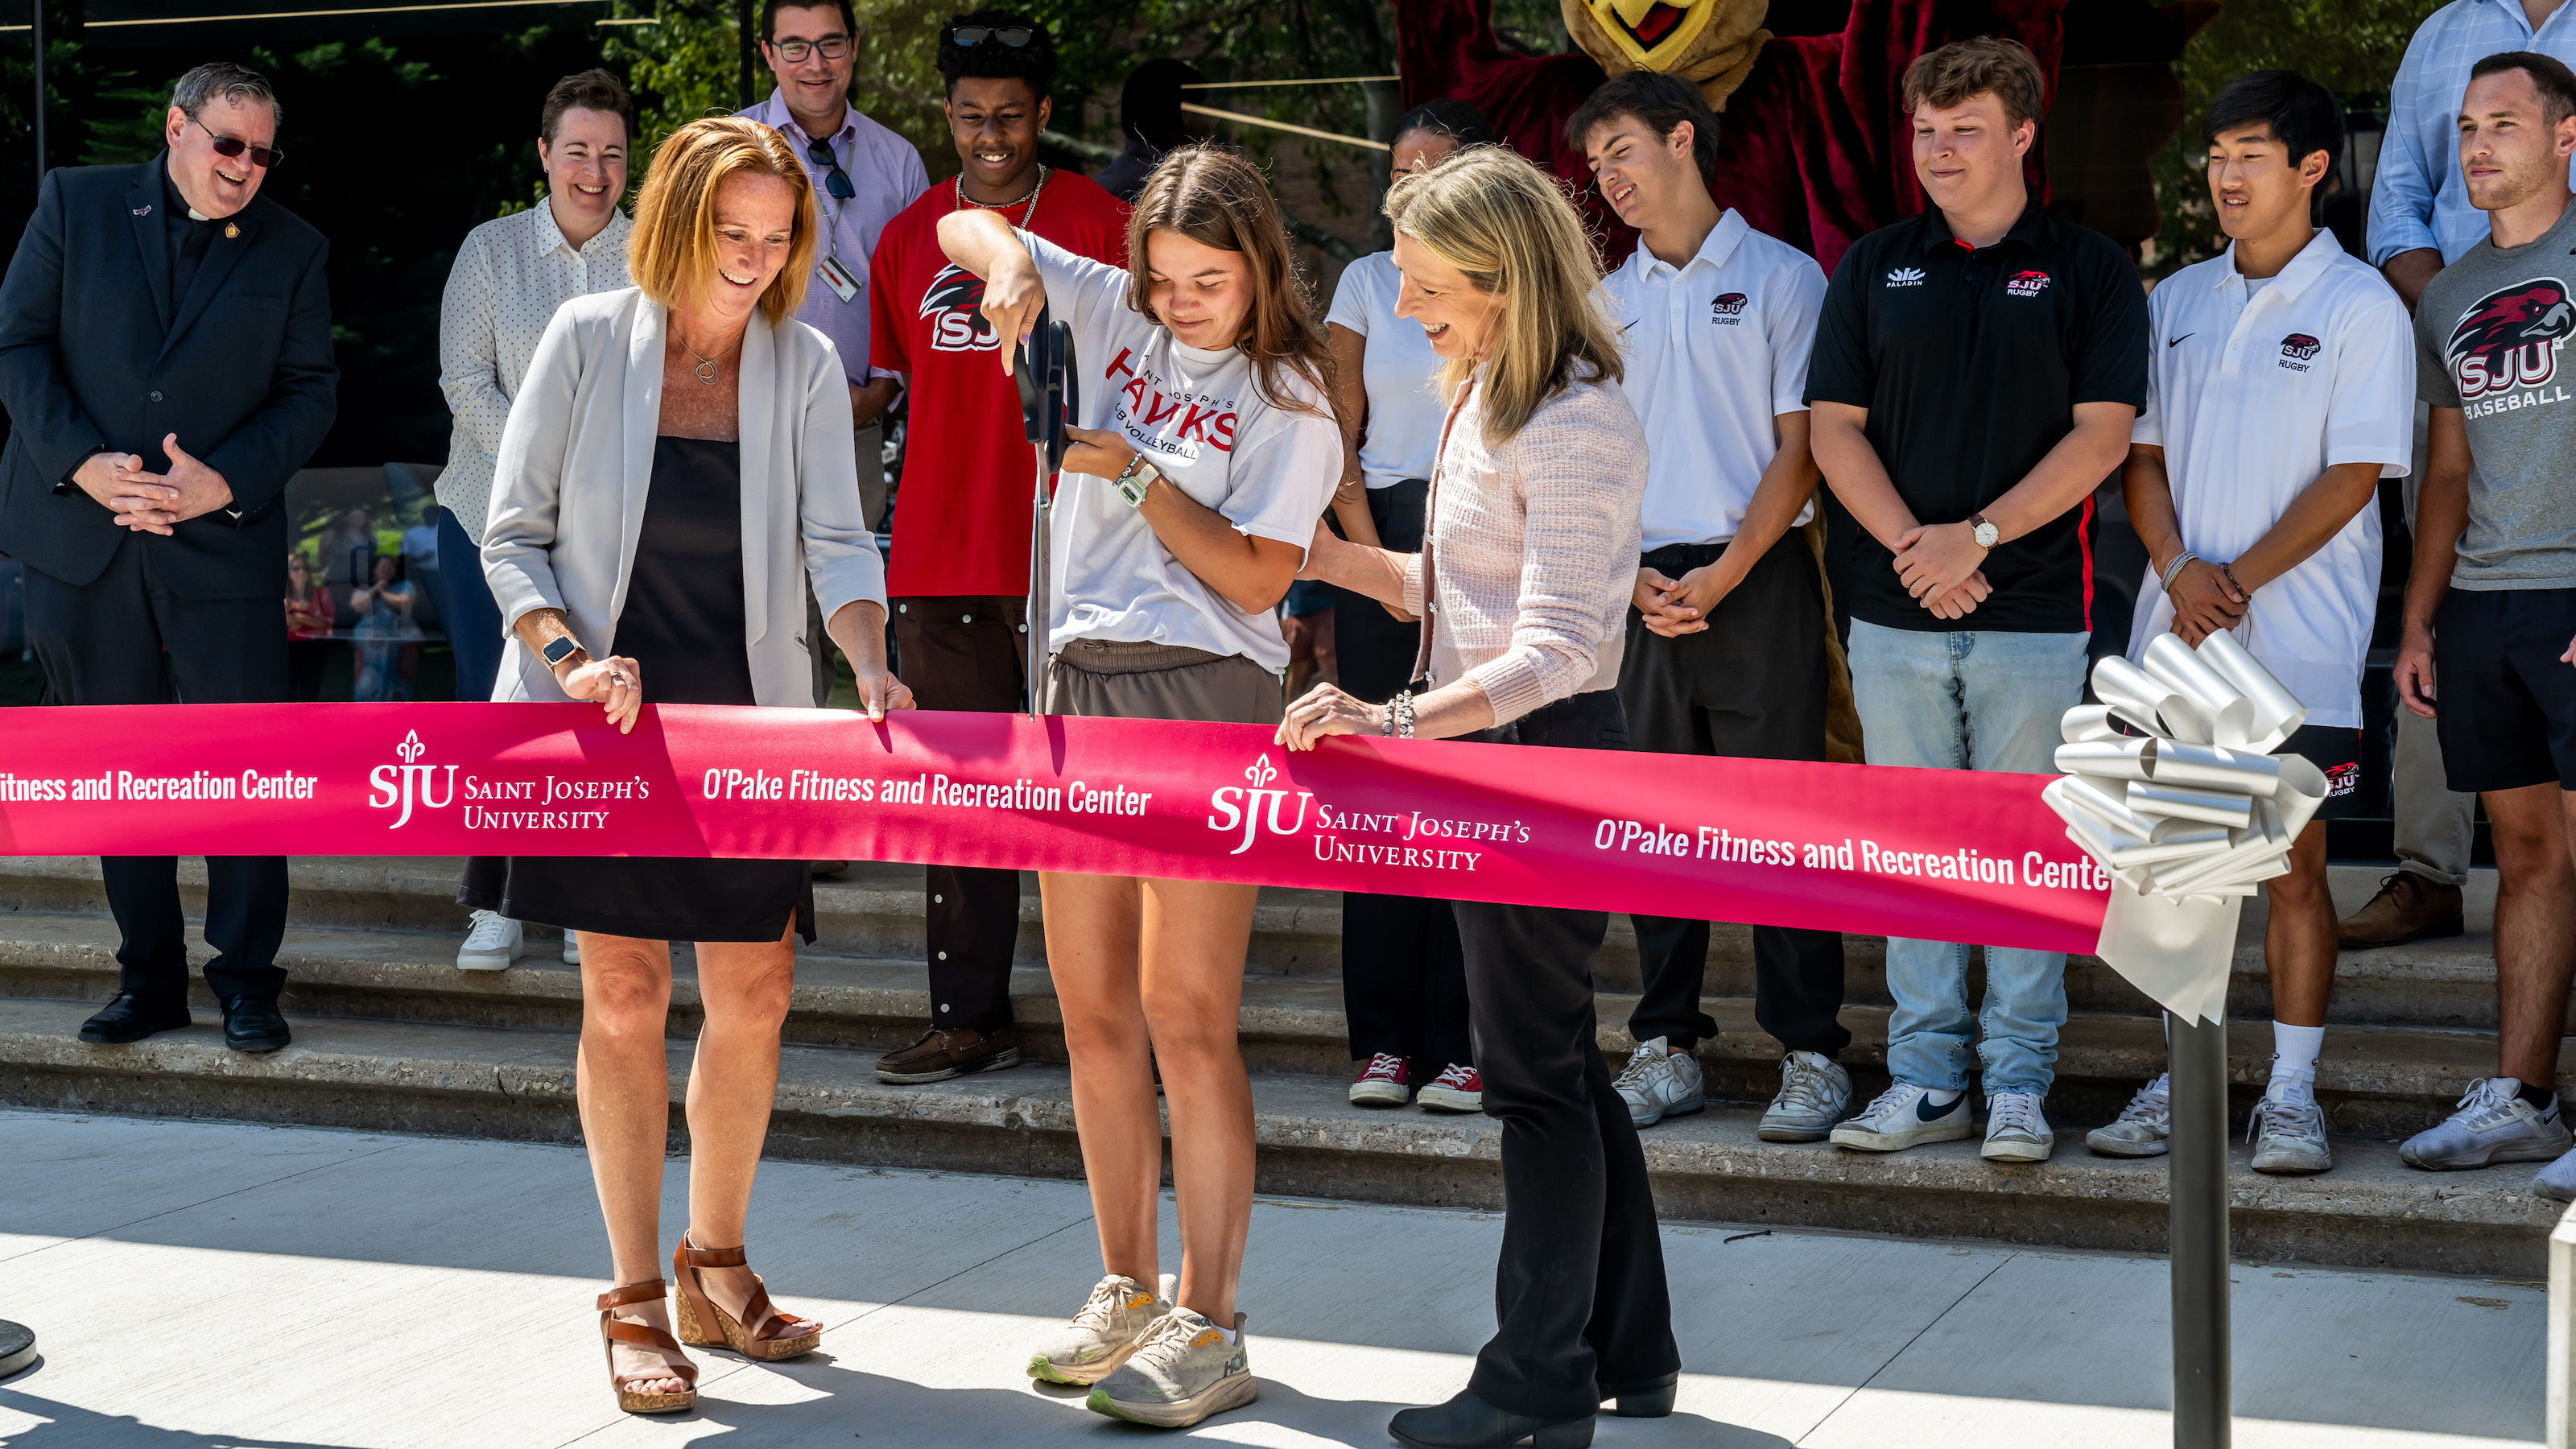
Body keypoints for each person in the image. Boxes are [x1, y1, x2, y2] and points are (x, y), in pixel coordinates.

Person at [468, 117, 908, 1415]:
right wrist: (565, 659)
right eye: (735, 235)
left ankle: (715, 1262)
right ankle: (630, 1296)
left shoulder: (807, 368)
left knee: (757, 995)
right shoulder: (587, 341)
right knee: (619, 996)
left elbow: (842, 545)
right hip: (595, 714)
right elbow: (511, 540)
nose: (757, 261)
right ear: (676, 224)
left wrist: (871, 664)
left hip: (746, 723)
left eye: (778, 241)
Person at [1284, 143, 1679, 1449]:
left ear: (1504, 280)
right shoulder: (1484, 398)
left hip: (1547, 757)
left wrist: (1391, 720)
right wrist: (1329, 556)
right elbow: (1459, 598)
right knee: (1559, 1063)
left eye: (1426, 284)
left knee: (1533, 1083)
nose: (1403, 309)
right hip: (1494, 760)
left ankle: (1536, 1375)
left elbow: (1559, 645)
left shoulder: (1573, 419)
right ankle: (1627, 1350)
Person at [944, 143, 1338, 1428]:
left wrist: (1142, 475)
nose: (1179, 303)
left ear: (1259, 269)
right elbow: (962, 226)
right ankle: (1121, 1285)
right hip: (1073, 686)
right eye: (1163, 278)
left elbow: (1261, 580)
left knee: (1186, 1016)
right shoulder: (1110, 309)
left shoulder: (1291, 396)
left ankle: (1212, 1320)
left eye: (1207, 281)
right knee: (1093, 1009)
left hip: (1202, 693)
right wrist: (1008, 270)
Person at [1806, 37, 2147, 1164]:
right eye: (1924, 131)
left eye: (1964, 130)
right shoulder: (1873, 263)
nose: (1939, 151)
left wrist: (1981, 538)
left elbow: (2103, 435)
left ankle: (2016, 1085)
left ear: (2022, 136)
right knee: (1915, 855)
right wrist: (1918, 546)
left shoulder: (2090, 267)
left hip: (2034, 613)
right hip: (1895, 607)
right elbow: (1832, 429)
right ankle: (1923, 1078)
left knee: (2021, 853)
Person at [2087, 72, 2414, 1174]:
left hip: (2299, 647)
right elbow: (2142, 463)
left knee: (2293, 872)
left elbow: (2354, 476)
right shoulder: (2174, 300)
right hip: (2174, 641)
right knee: (2181, 877)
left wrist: (2230, 582)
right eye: (2217, 154)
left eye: (2252, 154)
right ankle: (2182, 1086)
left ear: (2313, 168)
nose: (2226, 175)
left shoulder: (2361, 305)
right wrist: (2180, 572)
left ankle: (2289, 1095)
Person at [0, 61, 336, 1054]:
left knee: (242, 771)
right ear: (177, 128)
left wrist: (219, 483)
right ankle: (147, 980)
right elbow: (17, 345)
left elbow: (309, 392)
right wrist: (79, 466)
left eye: (262, 153)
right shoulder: (76, 202)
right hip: (83, 539)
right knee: (118, 771)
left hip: (218, 545)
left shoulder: (295, 249)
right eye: (228, 143)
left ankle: (246, 983)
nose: (245, 168)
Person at [1568, 72, 1850, 1141]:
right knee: (1654, 828)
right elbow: (1591, 460)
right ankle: (1666, 1043)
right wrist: (1629, 579)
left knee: (1782, 827)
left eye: (1624, 152)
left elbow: (1802, 448)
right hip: (1637, 584)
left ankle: (1814, 1051)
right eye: (1597, 165)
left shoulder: (1783, 277)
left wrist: (1728, 572)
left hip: (1760, 572)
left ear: (1684, 140)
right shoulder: (1603, 298)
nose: (1611, 180)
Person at [862, 10, 1129, 1088]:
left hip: (1075, 558)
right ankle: (968, 1016)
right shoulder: (905, 234)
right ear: (947, 114)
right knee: (962, 806)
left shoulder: (1100, 221)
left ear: (1045, 116)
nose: (989, 136)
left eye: (1010, 117)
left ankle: (1108, 1025)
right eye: (970, 116)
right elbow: (889, 395)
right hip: (937, 557)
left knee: (1094, 801)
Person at [2381, 53, 2576, 1194]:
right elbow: (2445, 473)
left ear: (2565, 135)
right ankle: (2524, 1103)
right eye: (2465, 129)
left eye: (2504, 123)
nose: (2476, 146)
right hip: (2486, 607)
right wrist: (2418, 621)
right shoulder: (2448, 295)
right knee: (2530, 859)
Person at [2346, 5, 2576, 949]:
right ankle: (2428, 873)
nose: (2479, 143)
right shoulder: (2442, 31)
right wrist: (2457, 311)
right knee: (2447, 608)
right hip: (2460, 340)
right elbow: (2396, 193)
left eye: (2500, 125)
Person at [436, 69, 638, 971]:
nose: (593, 172)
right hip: (487, 521)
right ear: (545, 155)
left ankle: (580, 899)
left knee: (596, 712)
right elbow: (463, 381)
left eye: (611, 154)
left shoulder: (652, 257)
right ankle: (498, 904)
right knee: (500, 715)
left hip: (608, 534)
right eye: (577, 152)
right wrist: (541, 464)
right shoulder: (491, 250)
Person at [1323, 97, 1492, 1116]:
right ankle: (1384, 1043)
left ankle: (1464, 1042)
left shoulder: (1501, 284)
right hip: (1378, 524)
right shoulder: (1359, 280)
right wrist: (1365, 552)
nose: (1407, 180)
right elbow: (1337, 421)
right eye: (1398, 167)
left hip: (1479, 527)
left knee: (1467, 789)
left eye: (1431, 166)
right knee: (1381, 795)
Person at [738, 0, 927, 712]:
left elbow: (919, 293)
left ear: (854, 46)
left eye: (829, 44)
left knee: (845, 604)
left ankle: (832, 776)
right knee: (755, 605)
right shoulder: (732, 147)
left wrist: (884, 389)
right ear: (767, 53)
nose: (814, 64)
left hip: (854, 422)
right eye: (795, 46)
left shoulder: (896, 160)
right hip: (742, 418)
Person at [1097, 58, 1212, 204]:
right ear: (1187, 114)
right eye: (1208, 110)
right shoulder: (1180, 193)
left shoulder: (1102, 187)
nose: (1212, 123)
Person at [349, 552, 422, 701]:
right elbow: (357, 605)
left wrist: (383, 592)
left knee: (398, 674)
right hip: (370, 645)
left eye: (390, 566)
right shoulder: (365, 588)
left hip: (398, 640)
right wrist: (375, 589)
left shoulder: (405, 586)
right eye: (382, 566)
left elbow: (404, 603)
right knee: (367, 677)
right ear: (374, 570)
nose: (386, 569)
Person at [283, 551, 333, 701]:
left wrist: (298, 617)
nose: (301, 572)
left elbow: (324, 623)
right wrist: (310, 619)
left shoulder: (321, 593)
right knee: (288, 690)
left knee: (310, 690)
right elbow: (283, 618)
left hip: (313, 647)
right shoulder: (281, 593)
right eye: (296, 568)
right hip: (287, 648)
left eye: (304, 568)